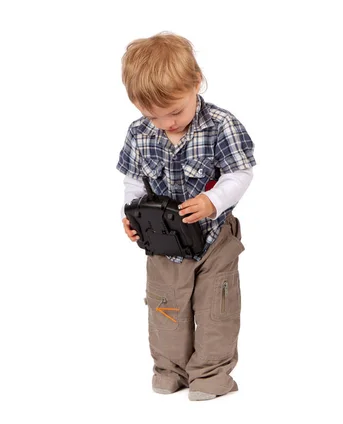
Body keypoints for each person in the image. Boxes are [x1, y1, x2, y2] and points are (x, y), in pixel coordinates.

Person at [116, 32, 256, 401]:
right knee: (165, 308)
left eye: (175, 111)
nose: (167, 124)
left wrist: (213, 201)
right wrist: (131, 214)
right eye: (153, 115)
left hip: (213, 240)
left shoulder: (222, 125)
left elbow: (240, 173)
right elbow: (133, 179)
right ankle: (169, 370)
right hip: (164, 243)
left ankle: (211, 376)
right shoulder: (139, 132)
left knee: (216, 311)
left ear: (196, 83)